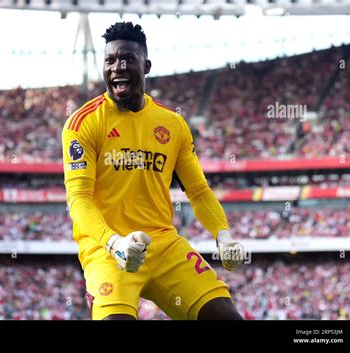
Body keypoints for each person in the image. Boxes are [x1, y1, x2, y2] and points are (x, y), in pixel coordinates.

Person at [62, 22, 245, 320]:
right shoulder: (83, 123)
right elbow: (78, 198)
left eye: (127, 60)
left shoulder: (172, 124)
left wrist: (223, 236)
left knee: (225, 315)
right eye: (109, 61)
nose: (117, 68)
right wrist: (114, 243)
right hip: (108, 250)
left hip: (163, 245)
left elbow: (198, 191)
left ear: (146, 65)